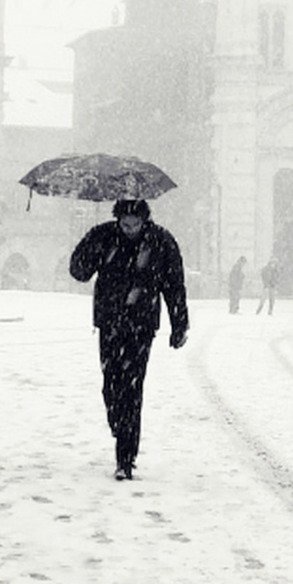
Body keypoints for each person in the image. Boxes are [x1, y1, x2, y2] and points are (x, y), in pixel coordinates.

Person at [69, 197, 189, 481]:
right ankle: (118, 423)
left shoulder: (161, 242)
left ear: (145, 220)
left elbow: (174, 285)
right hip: (110, 322)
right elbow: (78, 271)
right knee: (111, 386)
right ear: (118, 219)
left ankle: (126, 456)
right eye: (125, 224)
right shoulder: (104, 235)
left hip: (141, 324)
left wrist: (179, 324)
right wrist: (92, 249)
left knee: (132, 390)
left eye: (136, 224)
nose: (130, 229)